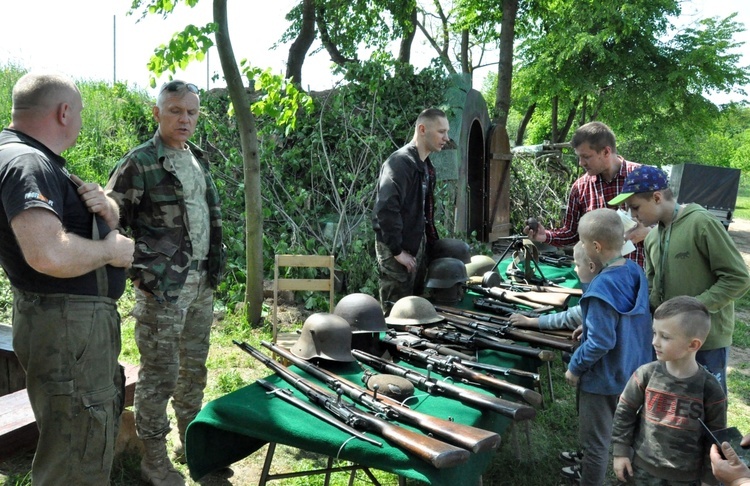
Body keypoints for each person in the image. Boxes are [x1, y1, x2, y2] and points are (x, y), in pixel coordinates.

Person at [0, 72, 134, 485]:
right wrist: (113, 251)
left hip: (66, 326)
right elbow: (48, 253)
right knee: (75, 455)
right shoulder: (27, 162)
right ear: (64, 112)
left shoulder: (24, 157)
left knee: (79, 440)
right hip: (67, 328)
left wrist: (106, 212)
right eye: (79, 112)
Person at [106, 80, 225, 486]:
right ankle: (153, 460)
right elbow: (110, 225)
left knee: (194, 370)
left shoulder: (197, 160)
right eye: (175, 110)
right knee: (160, 374)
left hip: (201, 284)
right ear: (157, 113)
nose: (185, 119)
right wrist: (141, 273)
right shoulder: (138, 163)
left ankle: (193, 446)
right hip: (162, 291)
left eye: (191, 112)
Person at [608, 165, 750, 394]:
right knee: (675, 409)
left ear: (656, 197)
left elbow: (738, 278)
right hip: (669, 343)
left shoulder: (701, 224)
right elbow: (652, 289)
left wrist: (692, 311)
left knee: (707, 410)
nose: (633, 216)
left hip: (706, 341)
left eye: (635, 207)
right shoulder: (652, 237)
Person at [562, 208, 653, 485]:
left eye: (582, 241)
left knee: (597, 444)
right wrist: (590, 324)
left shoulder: (600, 288)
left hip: (603, 378)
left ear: (595, 246)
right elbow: (623, 319)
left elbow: (602, 342)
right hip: (634, 372)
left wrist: (575, 367)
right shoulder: (634, 270)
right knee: (627, 434)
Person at [612, 296, 727, 485]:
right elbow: (625, 412)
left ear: (693, 345)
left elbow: (716, 437)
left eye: (665, 337)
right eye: (654, 333)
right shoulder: (645, 375)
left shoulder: (710, 389)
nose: (655, 342)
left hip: (687, 479)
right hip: (642, 471)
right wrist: (621, 451)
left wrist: (709, 478)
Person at [524, 121, 649, 267]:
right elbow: (571, 233)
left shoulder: (642, 177)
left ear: (606, 152)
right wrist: (545, 236)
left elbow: (670, 223)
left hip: (638, 276)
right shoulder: (580, 187)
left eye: (586, 156)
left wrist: (650, 233)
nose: (580, 163)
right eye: (579, 157)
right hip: (597, 278)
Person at [372, 108, 449, 312]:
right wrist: (397, 251)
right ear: (422, 129)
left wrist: (430, 247)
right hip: (395, 249)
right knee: (396, 312)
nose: (446, 138)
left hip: (415, 246)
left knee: (414, 310)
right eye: (441, 132)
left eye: (447, 132)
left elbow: (425, 212)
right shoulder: (399, 163)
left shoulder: (425, 166)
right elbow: (386, 209)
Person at [509, 241, 600, 335]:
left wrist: (530, 322)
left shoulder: (598, 296)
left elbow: (569, 318)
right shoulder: (606, 284)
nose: (575, 269)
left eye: (578, 265)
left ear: (591, 266)